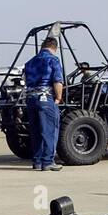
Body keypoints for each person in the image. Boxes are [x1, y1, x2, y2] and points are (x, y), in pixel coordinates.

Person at [22, 35, 64, 171]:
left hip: (30, 98)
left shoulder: (29, 62)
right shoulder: (53, 60)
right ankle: (48, 161)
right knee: (49, 130)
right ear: (54, 48)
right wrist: (58, 97)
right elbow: (57, 80)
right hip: (45, 98)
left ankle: (37, 161)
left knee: (36, 131)